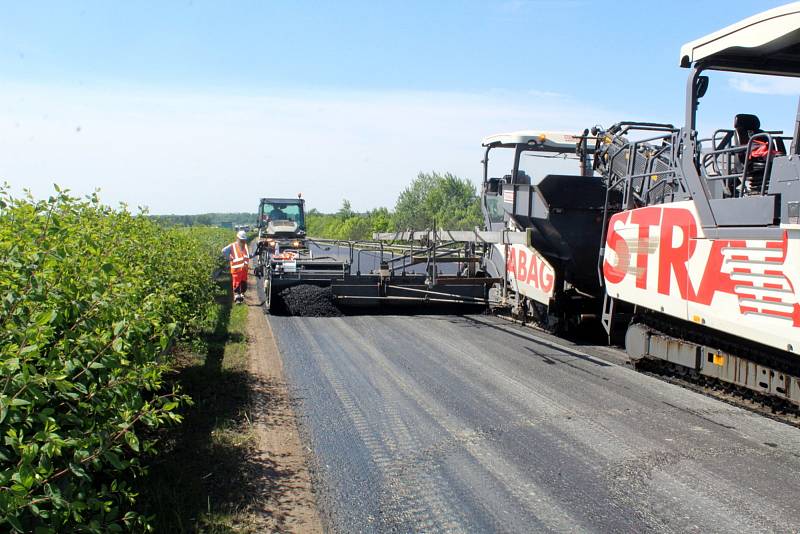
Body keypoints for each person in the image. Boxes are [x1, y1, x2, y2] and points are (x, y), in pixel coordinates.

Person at [221, 230, 253, 303]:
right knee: (236, 284)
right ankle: (237, 298)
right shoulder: (232, 246)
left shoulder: (245, 246)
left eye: (244, 240)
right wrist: (229, 258)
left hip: (244, 270)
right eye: (242, 240)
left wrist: (255, 254)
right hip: (236, 270)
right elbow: (223, 251)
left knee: (243, 284)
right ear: (238, 239)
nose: (243, 242)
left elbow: (247, 256)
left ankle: (241, 295)